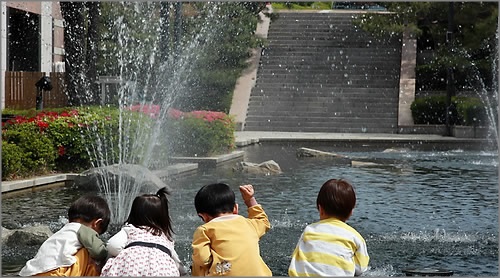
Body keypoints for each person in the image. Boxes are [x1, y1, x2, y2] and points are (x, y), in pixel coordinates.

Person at [288, 179, 370, 276]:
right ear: (351, 212)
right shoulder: (355, 237)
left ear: (320, 209)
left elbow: (296, 258)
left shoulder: (309, 230)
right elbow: (361, 268)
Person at [100, 187, 185, 276]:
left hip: (131, 270)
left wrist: (124, 253)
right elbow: (180, 267)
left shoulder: (131, 229)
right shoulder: (165, 237)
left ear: (134, 214)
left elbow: (113, 245)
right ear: (163, 217)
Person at [191, 183, 272, 276]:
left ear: (203, 216)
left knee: (197, 265)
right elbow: (263, 221)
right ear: (235, 208)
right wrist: (249, 200)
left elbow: (202, 258)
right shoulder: (249, 224)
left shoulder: (205, 230)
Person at [19, 194, 110, 276]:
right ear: (97, 223)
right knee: (89, 252)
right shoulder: (82, 229)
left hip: (33, 273)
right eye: (97, 234)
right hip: (55, 272)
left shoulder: (63, 232)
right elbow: (99, 251)